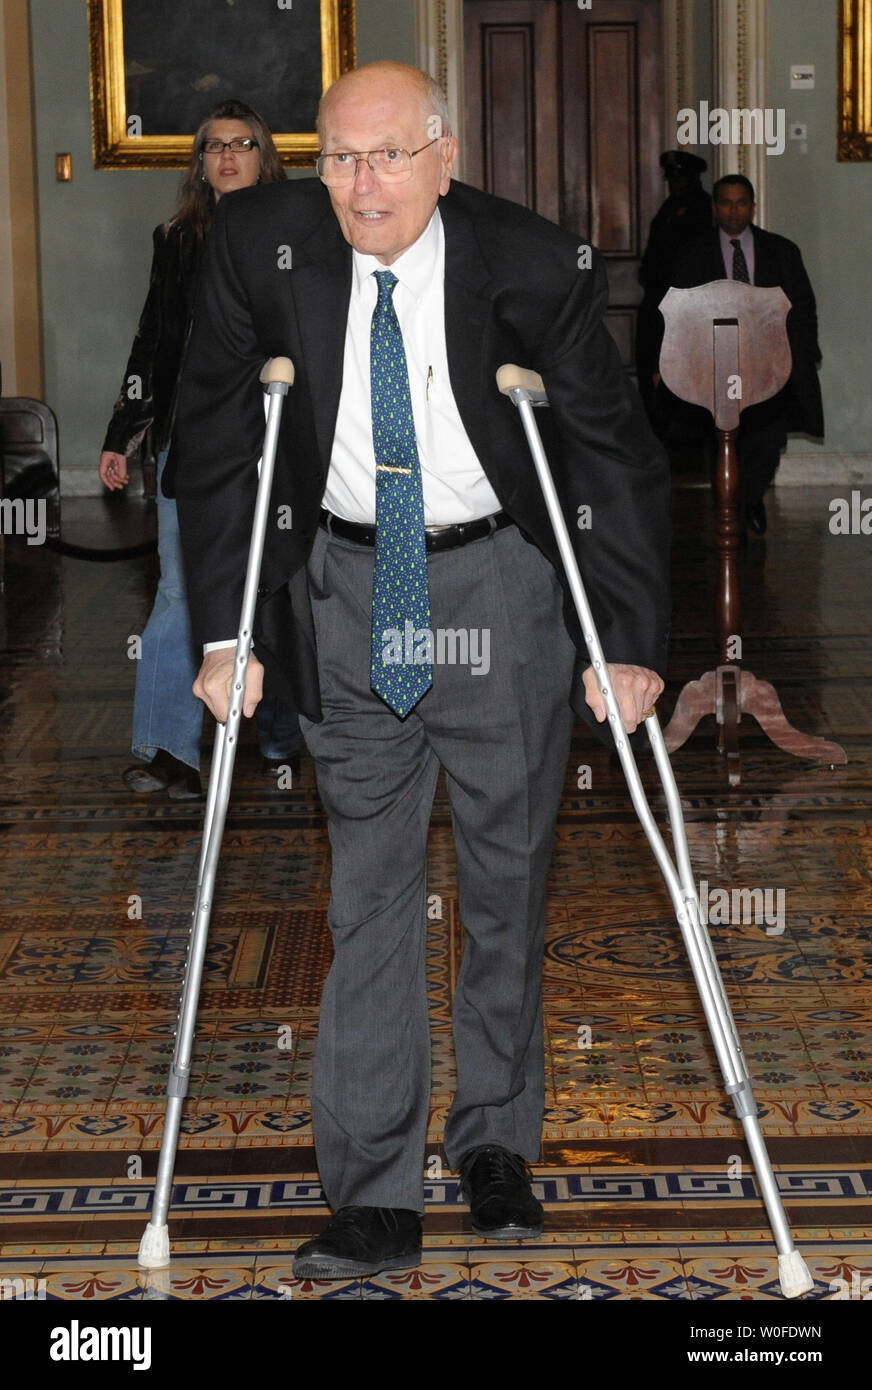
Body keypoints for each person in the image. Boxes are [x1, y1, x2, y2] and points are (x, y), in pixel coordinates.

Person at [171, 61, 671, 1278]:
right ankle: (374, 1186)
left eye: (388, 155)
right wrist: (225, 632)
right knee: (370, 893)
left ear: (444, 155)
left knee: (505, 878)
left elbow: (610, 453)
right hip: (345, 592)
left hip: (498, 585)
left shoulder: (531, 261)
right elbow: (221, 429)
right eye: (339, 156)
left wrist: (632, 642)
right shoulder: (256, 246)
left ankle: (494, 1140)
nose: (361, 183)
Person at [99, 98, 300, 798]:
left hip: (283, 439)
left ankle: (281, 731)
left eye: (242, 144)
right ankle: (167, 749)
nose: (227, 156)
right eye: (214, 146)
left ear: (263, 156)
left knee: (283, 579)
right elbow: (152, 339)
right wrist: (124, 433)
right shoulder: (178, 239)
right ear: (201, 163)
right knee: (182, 590)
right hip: (196, 442)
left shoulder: (303, 233)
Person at [669, 173, 824, 535]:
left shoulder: (782, 251)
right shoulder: (694, 253)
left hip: (769, 362)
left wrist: (804, 353)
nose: (733, 211)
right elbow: (679, 310)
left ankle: (749, 500)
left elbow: (802, 306)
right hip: (714, 363)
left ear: (753, 206)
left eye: (741, 203)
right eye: (726, 202)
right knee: (723, 439)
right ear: (714, 207)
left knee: (767, 438)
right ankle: (730, 511)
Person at [635, 150, 711, 431]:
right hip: (658, 300)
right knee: (650, 370)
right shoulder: (668, 208)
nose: (675, 183)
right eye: (672, 178)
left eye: (680, 177)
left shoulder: (703, 208)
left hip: (685, 304)